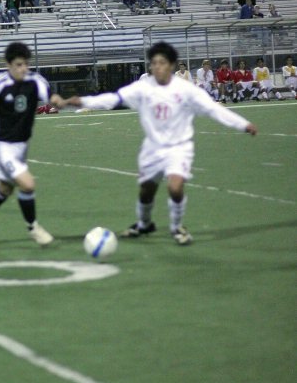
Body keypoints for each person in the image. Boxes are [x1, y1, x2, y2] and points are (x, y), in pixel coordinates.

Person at [64, 42, 256, 245]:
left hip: (179, 148)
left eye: (162, 63)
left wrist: (243, 124)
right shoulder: (143, 88)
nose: (157, 67)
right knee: (146, 190)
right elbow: (113, 99)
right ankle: (144, 224)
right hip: (152, 148)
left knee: (175, 187)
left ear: (172, 65)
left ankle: (177, 227)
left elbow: (213, 109)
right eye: (154, 63)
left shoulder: (186, 90)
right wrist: (83, 101)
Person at [0, 41, 64, 244]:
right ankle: (33, 228)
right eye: (18, 64)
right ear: (8, 65)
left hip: (21, 145)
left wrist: (57, 100)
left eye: (25, 64)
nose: (23, 68)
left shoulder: (35, 80)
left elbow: (50, 96)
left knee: (6, 188)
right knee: (27, 184)